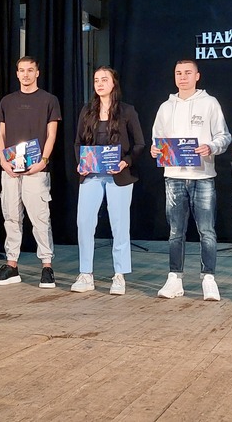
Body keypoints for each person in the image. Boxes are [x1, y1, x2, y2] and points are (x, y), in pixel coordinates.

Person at [150, 59, 231, 300]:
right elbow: (158, 139)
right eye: (178, 73)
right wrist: (156, 150)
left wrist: (211, 147)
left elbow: (224, 136)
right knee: (175, 231)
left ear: (197, 76)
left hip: (203, 176)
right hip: (174, 176)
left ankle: (209, 279)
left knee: (207, 231)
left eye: (187, 73)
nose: (183, 77)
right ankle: (175, 278)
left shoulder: (210, 103)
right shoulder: (166, 107)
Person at [70, 67, 145, 295]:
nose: (100, 84)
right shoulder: (87, 110)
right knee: (84, 222)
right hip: (91, 174)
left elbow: (140, 144)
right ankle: (85, 273)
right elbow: (78, 143)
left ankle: (119, 275)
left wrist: (125, 162)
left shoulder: (127, 111)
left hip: (118, 176)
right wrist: (81, 163)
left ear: (114, 83)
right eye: (96, 80)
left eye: (104, 79)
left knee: (119, 224)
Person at [0, 56, 61, 288]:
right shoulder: (7, 101)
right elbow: (1, 134)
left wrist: (43, 161)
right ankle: (12, 265)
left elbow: (51, 135)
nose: (26, 74)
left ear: (37, 73)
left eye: (30, 70)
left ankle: (47, 266)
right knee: (11, 217)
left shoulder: (49, 100)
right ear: (17, 73)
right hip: (11, 169)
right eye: (22, 70)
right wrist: (3, 161)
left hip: (36, 170)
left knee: (40, 218)